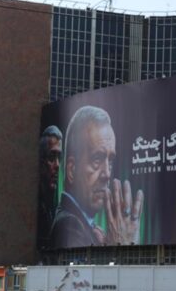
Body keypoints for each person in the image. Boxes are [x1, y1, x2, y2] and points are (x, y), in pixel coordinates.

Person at [49, 105, 144, 248]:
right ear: (71, 170)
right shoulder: (69, 225)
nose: (107, 174)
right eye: (97, 159)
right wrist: (121, 246)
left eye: (110, 161)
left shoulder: (84, 225)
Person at [38, 125, 63, 249]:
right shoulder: (37, 208)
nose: (57, 165)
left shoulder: (55, 209)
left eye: (59, 157)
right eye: (52, 157)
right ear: (41, 161)